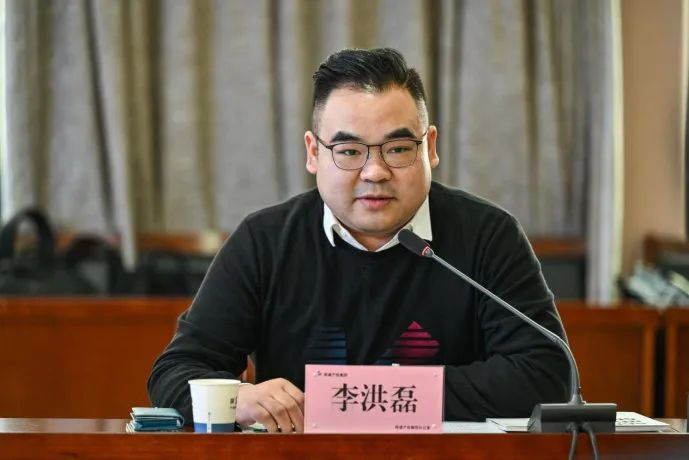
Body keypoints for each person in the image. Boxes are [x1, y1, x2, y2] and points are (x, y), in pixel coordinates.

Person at [148, 47, 569, 433]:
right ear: (314, 153)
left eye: (398, 149)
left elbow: (545, 373)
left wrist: (362, 396)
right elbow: (175, 372)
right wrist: (238, 398)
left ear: (430, 147)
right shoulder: (265, 241)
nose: (375, 172)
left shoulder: (488, 235)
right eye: (349, 152)